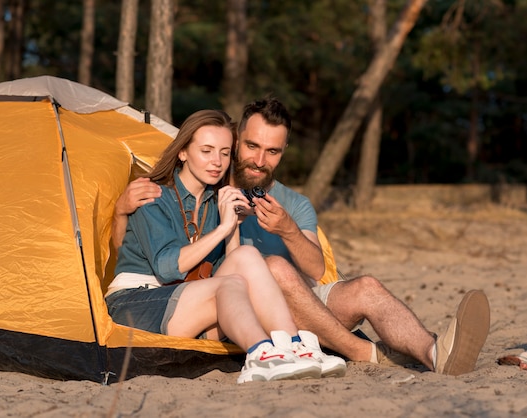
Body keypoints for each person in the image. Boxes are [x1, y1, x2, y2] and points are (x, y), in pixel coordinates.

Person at [115, 99, 491, 376]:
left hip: (303, 302)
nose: (259, 160)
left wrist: (287, 230)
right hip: (241, 304)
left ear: (283, 153)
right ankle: (362, 351)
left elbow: (318, 268)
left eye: (272, 151)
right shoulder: (213, 187)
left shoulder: (294, 203)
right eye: (250, 147)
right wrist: (120, 209)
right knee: (272, 266)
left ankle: (435, 352)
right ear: (237, 142)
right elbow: (142, 251)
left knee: (366, 287)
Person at [105, 109, 346, 384]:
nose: (216, 162)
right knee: (227, 285)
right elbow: (167, 266)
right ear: (183, 152)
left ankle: (291, 345)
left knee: (246, 254)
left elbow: (234, 270)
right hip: (136, 303)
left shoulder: (213, 201)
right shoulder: (154, 194)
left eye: (223, 153)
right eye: (206, 151)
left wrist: (233, 225)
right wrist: (222, 229)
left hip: (186, 305)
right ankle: (259, 354)